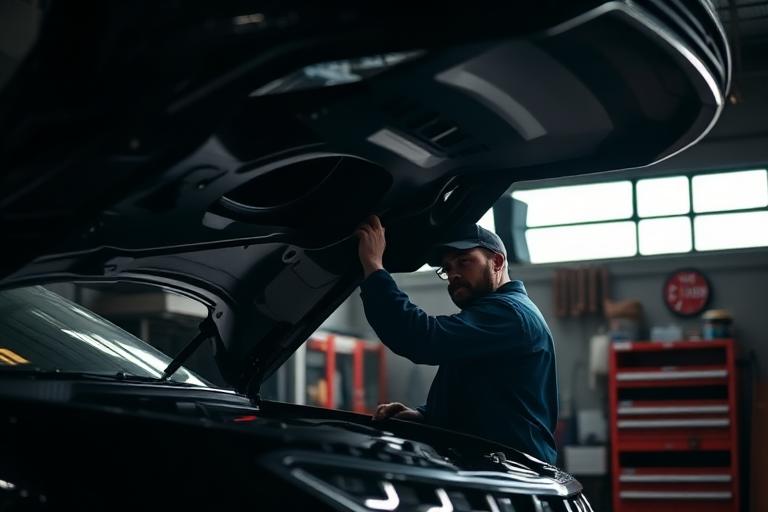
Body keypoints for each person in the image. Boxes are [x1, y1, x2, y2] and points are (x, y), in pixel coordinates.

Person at [355, 215, 559, 464]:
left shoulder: (509, 314)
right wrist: (426, 417)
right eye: (447, 268)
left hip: (510, 472)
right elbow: (484, 396)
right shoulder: (495, 315)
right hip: (495, 465)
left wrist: (374, 267)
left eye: (464, 262)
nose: (454, 274)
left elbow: (422, 338)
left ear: (497, 262)